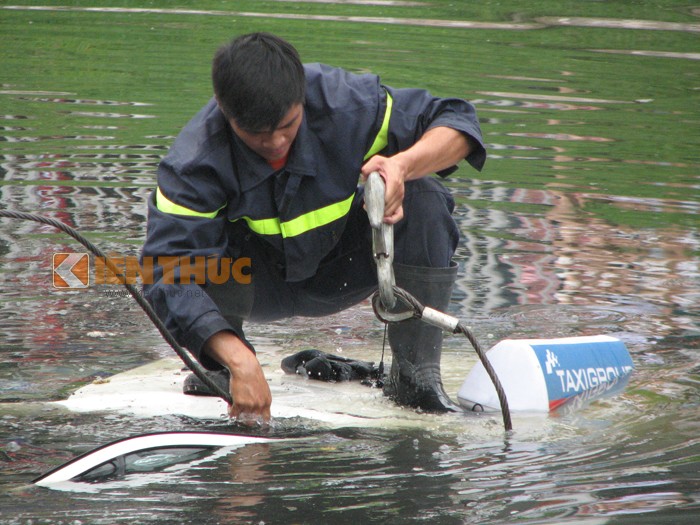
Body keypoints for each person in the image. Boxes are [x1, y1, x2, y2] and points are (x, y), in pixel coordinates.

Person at [141, 32, 486, 422]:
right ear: (224, 110)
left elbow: (456, 119)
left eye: (287, 125)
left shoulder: (345, 104)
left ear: (302, 97)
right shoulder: (192, 163)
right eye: (255, 133)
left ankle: (415, 378)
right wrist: (240, 360)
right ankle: (218, 363)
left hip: (336, 269)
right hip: (253, 286)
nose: (275, 142)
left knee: (425, 194)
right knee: (186, 261)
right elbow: (166, 273)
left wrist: (402, 165)